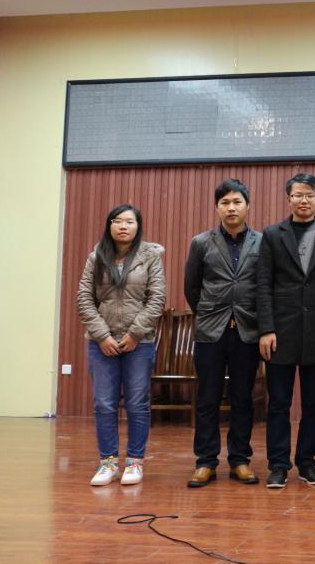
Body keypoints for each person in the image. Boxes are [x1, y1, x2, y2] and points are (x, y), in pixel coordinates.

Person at [257, 173, 315, 489]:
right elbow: (263, 283)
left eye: (310, 195)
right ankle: (278, 465)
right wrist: (266, 328)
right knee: (278, 403)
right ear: (289, 198)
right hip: (280, 332)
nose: (303, 200)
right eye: (298, 195)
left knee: (313, 405)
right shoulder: (272, 234)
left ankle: (308, 462)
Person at [76, 204, 166, 486]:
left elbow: (156, 299)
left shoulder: (150, 257)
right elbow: (84, 298)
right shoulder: (96, 257)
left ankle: (135, 462)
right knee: (104, 403)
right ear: (109, 226)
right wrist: (102, 336)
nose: (123, 226)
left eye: (129, 221)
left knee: (137, 403)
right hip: (101, 342)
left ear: (138, 226)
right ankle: (108, 463)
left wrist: (135, 334)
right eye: (117, 221)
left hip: (139, 343)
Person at [184, 178, 264, 488]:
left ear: (247, 205)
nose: (231, 208)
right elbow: (192, 287)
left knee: (243, 397)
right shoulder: (201, 242)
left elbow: (265, 285)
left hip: (247, 329)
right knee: (207, 398)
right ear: (217, 207)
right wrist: (208, 312)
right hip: (211, 330)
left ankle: (240, 460)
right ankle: (205, 461)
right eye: (225, 202)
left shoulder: (262, 242)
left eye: (237, 202)